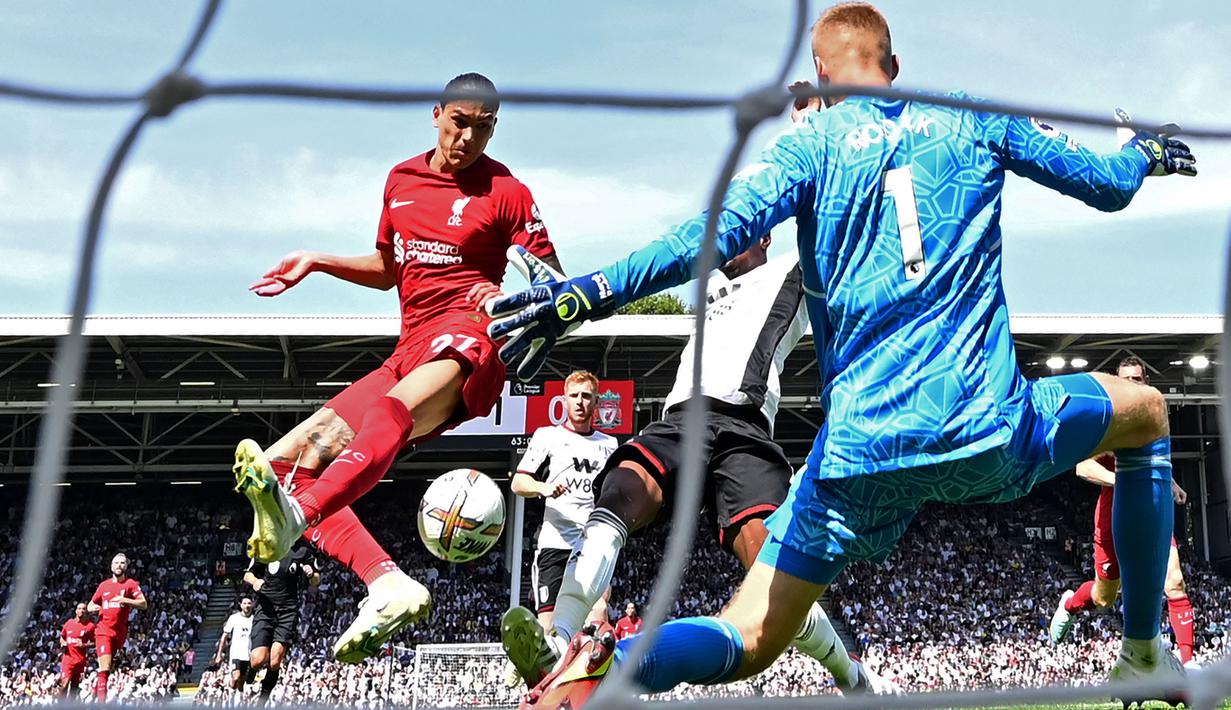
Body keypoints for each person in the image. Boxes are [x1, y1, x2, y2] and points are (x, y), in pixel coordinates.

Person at [486, 2, 1197, 705]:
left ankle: (610, 666)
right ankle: (1140, 652)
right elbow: (1106, 187)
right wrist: (1144, 152)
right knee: (1146, 414)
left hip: (858, 461)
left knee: (751, 635)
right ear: (895, 66)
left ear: (819, 76)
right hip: (986, 429)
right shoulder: (970, 113)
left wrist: (588, 294)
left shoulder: (808, 147)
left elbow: (706, 236)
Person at [233, 71, 560, 663]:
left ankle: (301, 517)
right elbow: (389, 267)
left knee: (389, 414)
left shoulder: (508, 191)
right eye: (460, 123)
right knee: (280, 465)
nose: (469, 138)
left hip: (469, 337)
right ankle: (386, 583)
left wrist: (504, 300)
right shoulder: (400, 180)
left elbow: (553, 286)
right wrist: (319, 260)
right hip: (408, 346)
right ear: (436, 114)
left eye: (484, 129)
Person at [501, 240, 888, 696]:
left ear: (764, 235)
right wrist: (571, 295)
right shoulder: (707, 288)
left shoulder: (792, 267)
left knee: (775, 570)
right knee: (621, 488)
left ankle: (851, 674)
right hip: (682, 420)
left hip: (744, 429)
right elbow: (642, 274)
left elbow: (844, 236)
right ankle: (558, 642)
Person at [1049, 356, 1197, 666]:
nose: (1132, 387)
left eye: (1138, 381)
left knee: (1175, 581)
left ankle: (1188, 664)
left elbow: (1155, 461)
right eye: (1125, 381)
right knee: (1105, 597)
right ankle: (1071, 605)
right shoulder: (1109, 427)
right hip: (1113, 516)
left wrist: (1171, 483)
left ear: (1146, 384)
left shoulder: (1152, 421)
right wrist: (1125, 481)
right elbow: (1083, 467)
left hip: (1151, 510)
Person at [511, 370, 619, 631]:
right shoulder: (548, 436)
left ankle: (589, 672)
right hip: (555, 542)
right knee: (549, 628)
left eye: (586, 396)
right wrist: (544, 488)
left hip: (592, 544)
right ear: (564, 400)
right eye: (574, 396)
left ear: (595, 403)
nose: (580, 402)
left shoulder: (610, 444)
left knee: (599, 615)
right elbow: (518, 482)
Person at [245, 544, 319, 704]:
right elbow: (247, 574)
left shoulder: (303, 551)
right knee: (258, 659)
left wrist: (311, 573)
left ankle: (262, 699)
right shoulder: (265, 547)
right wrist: (255, 581)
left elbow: (316, 581)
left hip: (288, 610)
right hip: (265, 609)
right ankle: (252, 668)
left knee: (275, 661)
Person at [88, 553, 147, 702]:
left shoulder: (130, 584)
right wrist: (95, 608)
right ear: (111, 566)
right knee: (105, 667)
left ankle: (93, 697)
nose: (119, 565)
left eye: (122, 563)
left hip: (120, 632)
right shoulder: (104, 586)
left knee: (106, 669)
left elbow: (143, 604)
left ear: (126, 566)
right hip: (103, 631)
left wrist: (125, 600)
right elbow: (90, 605)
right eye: (116, 563)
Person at [213, 597, 255, 699]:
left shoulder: (254, 619)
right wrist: (219, 654)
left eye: (249, 603)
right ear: (241, 605)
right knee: (236, 677)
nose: (247, 605)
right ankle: (230, 697)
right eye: (244, 603)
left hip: (248, 655)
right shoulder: (234, 618)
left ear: (252, 605)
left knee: (242, 681)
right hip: (236, 654)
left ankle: (238, 702)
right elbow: (224, 636)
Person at [58, 603, 94, 699]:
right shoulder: (69, 623)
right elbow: (62, 637)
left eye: (84, 609)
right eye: (79, 608)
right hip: (68, 659)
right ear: (76, 611)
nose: (81, 611)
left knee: (74, 687)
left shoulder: (90, 626)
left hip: (80, 661)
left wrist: (84, 645)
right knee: (64, 684)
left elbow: (95, 642)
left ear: (86, 611)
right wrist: (63, 643)